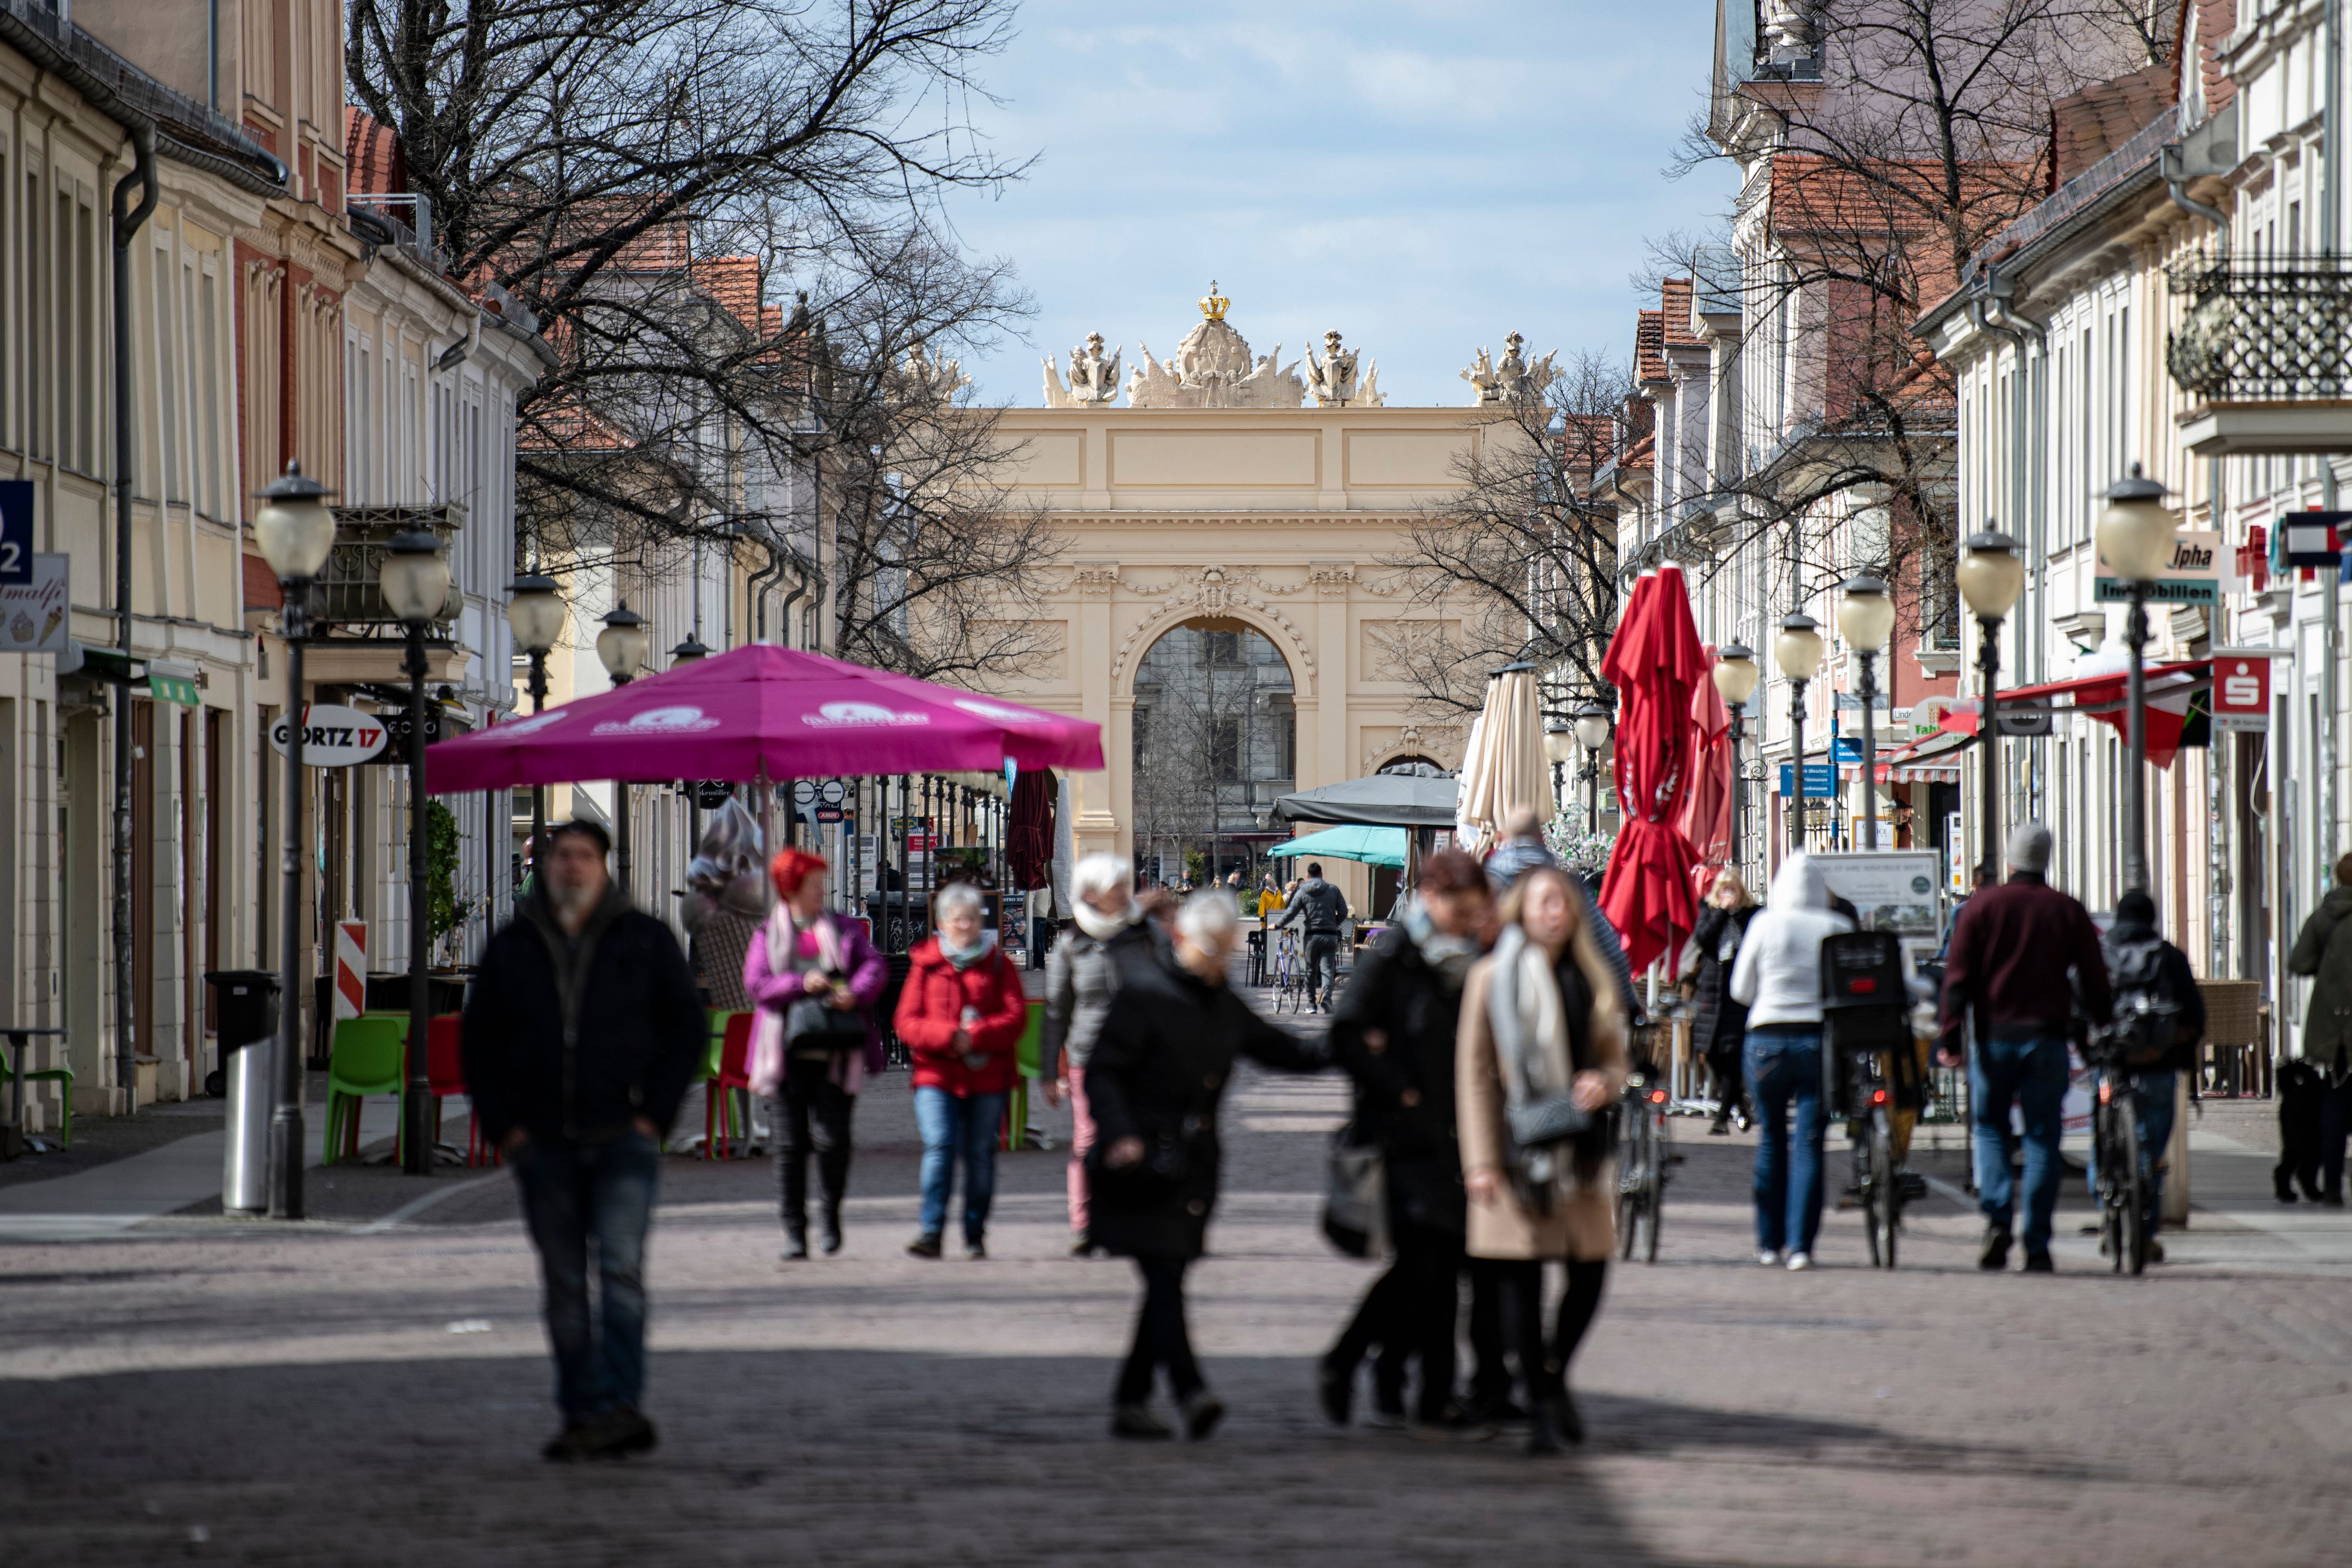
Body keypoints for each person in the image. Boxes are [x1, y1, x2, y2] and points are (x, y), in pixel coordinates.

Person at [461, 820, 705, 1460]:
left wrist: (654, 1114)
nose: (572, 867)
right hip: (542, 1143)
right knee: (566, 1282)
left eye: (584, 857)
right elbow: (478, 1041)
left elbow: (685, 1029)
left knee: (621, 1273)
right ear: (543, 866)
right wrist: (504, 1126)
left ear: (604, 866)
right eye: (561, 856)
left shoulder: (644, 940)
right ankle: (583, 1410)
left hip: (623, 1136)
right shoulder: (514, 945)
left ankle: (621, 1404)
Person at [1087, 891, 1327, 1439]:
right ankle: (1190, 1390)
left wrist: (1357, 1038)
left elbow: (1288, 1052)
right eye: (1211, 950)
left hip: (1193, 1168)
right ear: (1181, 940)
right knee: (1165, 1274)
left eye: (1227, 951)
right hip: (1141, 1165)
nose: (1219, 962)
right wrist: (1121, 1133)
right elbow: (1103, 1071)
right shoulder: (1144, 997)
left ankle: (1131, 1398)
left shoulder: (1223, 1004)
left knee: (1166, 1278)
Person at [1322, 850, 1502, 1430]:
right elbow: (1345, 1033)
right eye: (1459, 907)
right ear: (1428, 896)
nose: (1467, 920)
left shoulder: (1471, 960)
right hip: (1399, 1138)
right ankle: (1377, 1369)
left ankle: (1397, 1379)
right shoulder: (1394, 957)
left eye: (1476, 910)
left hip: (1455, 1136)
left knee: (1436, 1267)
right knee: (1426, 1264)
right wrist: (1394, 1087)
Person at [1457, 865, 1628, 1454]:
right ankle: (1539, 1412)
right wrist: (1479, 1162)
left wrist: (1606, 1083)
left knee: (1590, 1270)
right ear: (1522, 911)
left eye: (1564, 902)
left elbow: (1615, 1058)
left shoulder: (1594, 975)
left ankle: (1551, 1376)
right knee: (1519, 1287)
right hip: (1514, 1153)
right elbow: (1475, 1077)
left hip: (1579, 1151)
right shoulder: (1489, 977)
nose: (1556, 911)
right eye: (1545, 902)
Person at [1936, 821, 2112, 1272]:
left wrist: (1950, 1035)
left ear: (2011, 861)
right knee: (2042, 1138)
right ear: (2046, 860)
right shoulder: (2067, 910)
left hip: (1993, 1038)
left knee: (1992, 1129)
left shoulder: (1981, 908)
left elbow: (1957, 979)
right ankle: (2037, 1241)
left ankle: (1997, 1218)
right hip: (2048, 1039)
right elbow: (2094, 979)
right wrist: (2103, 1025)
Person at [743, 848, 887, 1261]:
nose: (821, 891)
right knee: (789, 1147)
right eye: (814, 885)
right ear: (791, 889)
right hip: (786, 1055)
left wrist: (853, 994)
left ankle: (830, 1216)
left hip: (838, 1053)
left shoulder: (842, 928)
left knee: (833, 1140)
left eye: (823, 884)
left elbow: (873, 966)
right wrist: (801, 983)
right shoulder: (767, 933)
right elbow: (758, 984)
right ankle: (794, 1230)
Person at [893, 881, 1030, 1259]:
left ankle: (974, 1233)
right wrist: (948, 1036)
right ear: (942, 923)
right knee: (939, 1146)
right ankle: (931, 1231)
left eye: (971, 919)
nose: (965, 927)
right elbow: (905, 1021)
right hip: (936, 1076)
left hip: (987, 1076)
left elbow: (1016, 1016)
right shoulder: (926, 965)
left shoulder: (998, 963)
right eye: (957, 920)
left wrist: (979, 1035)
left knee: (981, 1154)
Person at [1728, 854, 1850, 1272]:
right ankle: (1800, 1246)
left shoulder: (1764, 923)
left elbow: (1741, 989)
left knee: (1771, 1139)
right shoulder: (1836, 927)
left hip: (1766, 1038)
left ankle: (1768, 1243)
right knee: (1810, 1142)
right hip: (1817, 1038)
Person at [1042, 852, 1163, 1257]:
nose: (1125, 893)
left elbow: (1171, 988)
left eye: (1126, 885)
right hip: (1088, 1057)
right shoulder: (1071, 944)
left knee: (1140, 1137)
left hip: (1141, 1056)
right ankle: (1084, 1223)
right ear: (1092, 894)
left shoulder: (1145, 934)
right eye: (1116, 887)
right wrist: (1048, 1069)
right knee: (1089, 1140)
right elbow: (1057, 1011)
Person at [2094, 890, 2205, 1261]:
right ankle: (2146, 1229)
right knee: (2151, 1152)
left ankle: (2108, 1211)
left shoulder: (2100, 956)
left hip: (2112, 1064)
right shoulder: (2169, 956)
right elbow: (2195, 1015)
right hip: (2159, 1066)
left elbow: (2080, 1006)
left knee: (2106, 1140)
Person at [1483, 804, 1642, 1030]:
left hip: (1495, 994)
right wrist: (1630, 1004)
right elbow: (1606, 944)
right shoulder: (1565, 886)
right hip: (1560, 996)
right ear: (1541, 838)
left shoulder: (1485, 886)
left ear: (1502, 837)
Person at [2286, 852, 2352, 1208]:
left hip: (2333, 1027)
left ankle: (2331, 1187)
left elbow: (2299, 962)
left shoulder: (2323, 918)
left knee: (2335, 1105)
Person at [1681, 868, 1760, 1135]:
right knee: (1712, 1052)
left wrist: (1735, 917)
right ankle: (1740, 1104)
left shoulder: (1752, 915)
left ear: (1741, 892)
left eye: (1733, 890)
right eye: (1724, 890)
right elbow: (1703, 941)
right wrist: (1721, 913)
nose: (1729, 895)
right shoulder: (1708, 910)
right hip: (1711, 993)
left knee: (1732, 1052)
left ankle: (1722, 1117)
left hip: (1739, 994)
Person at [1271, 860, 1349, 1011]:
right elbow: (1344, 912)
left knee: (1310, 970)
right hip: (1330, 935)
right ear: (1321, 874)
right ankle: (1327, 998)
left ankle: (1311, 1004)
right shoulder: (1333, 890)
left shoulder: (1302, 891)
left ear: (1308, 875)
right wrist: (1334, 923)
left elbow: (1291, 912)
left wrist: (1277, 925)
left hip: (1312, 935)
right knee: (1327, 970)